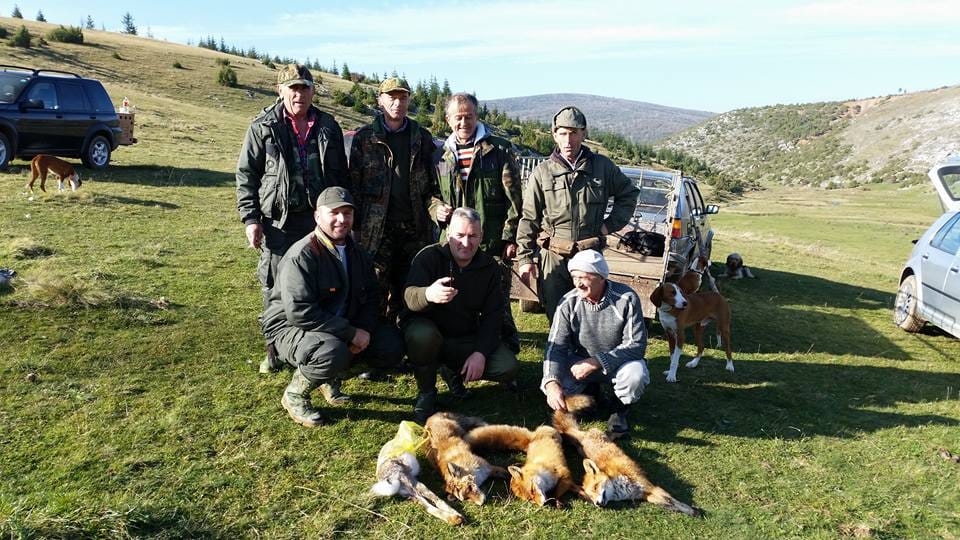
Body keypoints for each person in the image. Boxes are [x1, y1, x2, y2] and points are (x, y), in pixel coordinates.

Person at [236, 64, 348, 373]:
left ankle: (316, 348)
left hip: (319, 223)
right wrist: (251, 219)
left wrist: (341, 217)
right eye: (293, 88)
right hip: (278, 223)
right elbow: (247, 175)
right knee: (275, 287)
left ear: (313, 91)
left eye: (305, 88)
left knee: (322, 285)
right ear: (281, 90)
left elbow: (339, 176)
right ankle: (274, 349)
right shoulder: (263, 126)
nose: (299, 94)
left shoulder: (328, 126)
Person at [261, 187, 403, 427]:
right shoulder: (302, 255)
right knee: (331, 351)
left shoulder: (357, 253)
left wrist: (364, 331)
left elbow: (370, 297)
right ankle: (295, 394)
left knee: (391, 345)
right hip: (288, 327)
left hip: (337, 325)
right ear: (317, 216)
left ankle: (330, 378)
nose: (341, 219)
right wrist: (350, 334)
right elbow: (300, 312)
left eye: (347, 213)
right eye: (334, 213)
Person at [516, 106, 639, 322]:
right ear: (554, 134)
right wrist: (525, 257)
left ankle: (589, 356)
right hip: (553, 256)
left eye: (574, 133)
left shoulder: (602, 167)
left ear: (584, 133)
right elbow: (529, 218)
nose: (568, 140)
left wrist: (607, 226)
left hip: (589, 253)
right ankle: (559, 354)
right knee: (557, 314)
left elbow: (628, 195)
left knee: (591, 313)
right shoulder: (542, 172)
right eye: (562, 133)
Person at [402, 207, 519, 423]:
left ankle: (453, 371)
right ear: (448, 234)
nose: (466, 243)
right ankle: (427, 392)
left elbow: (493, 315)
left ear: (481, 237)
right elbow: (409, 296)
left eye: (473, 236)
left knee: (506, 367)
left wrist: (480, 353)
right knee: (422, 336)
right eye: (460, 235)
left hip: (463, 337)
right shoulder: (429, 257)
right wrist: (427, 294)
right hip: (429, 333)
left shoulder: (489, 267)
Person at [348, 77, 444, 327]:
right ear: (380, 101)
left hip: (414, 227)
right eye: (391, 97)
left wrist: (436, 211)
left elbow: (432, 187)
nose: (397, 103)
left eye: (402, 97)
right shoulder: (365, 138)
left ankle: (407, 339)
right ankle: (378, 341)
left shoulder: (421, 137)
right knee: (375, 284)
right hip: (376, 229)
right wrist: (356, 227)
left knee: (410, 285)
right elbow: (354, 186)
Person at [435, 92, 523, 353]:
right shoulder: (439, 154)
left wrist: (510, 237)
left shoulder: (499, 149)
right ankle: (456, 357)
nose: (464, 123)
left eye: (469, 117)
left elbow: (515, 200)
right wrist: (435, 209)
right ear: (448, 119)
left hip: (491, 242)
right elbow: (431, 193)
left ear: (477, 116)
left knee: (498, 302)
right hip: (454, 243)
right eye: (458, 118)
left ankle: (506, 355)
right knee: (456, 300)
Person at [541, 249, 650, 435]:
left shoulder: (626, 299)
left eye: (584, 277)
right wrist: (551, 382)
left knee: (635, 375)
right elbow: (555, 346)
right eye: (574, 277)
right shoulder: (568, 302)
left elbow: (636, 345)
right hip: (578, 363)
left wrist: (597, 361)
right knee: (557, 391)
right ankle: (591, 395)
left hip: (616, 363)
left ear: (601, 277)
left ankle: (619, 409)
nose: (578, 283)